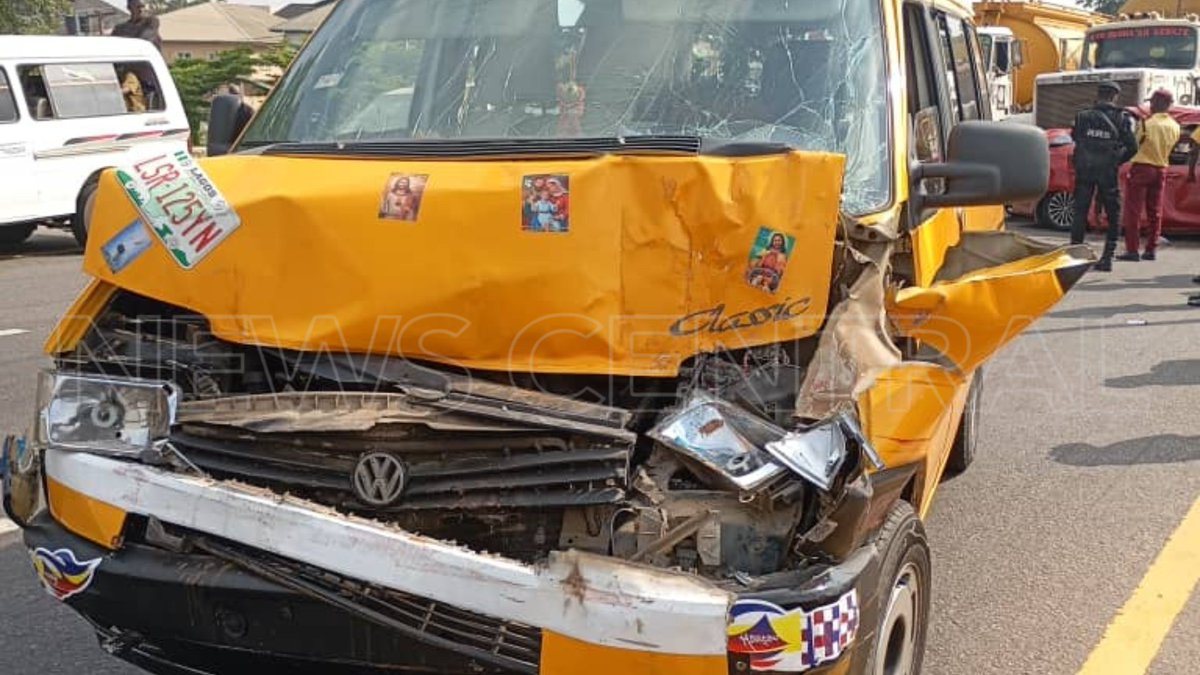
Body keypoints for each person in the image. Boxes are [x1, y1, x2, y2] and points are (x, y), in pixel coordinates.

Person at [1070, 81, 1138, 272]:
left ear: (1098, 94)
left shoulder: (1082, 116)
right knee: (1113, 214)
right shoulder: (1121, 118)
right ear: (1114, 97)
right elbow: (1133, 147)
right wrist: (1116, 161)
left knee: (1080, 212)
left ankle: (1075, 256)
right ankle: (1107, 257)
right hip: (1107, 172)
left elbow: (1075, 138)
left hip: (1085, 170)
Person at [1118, 89, 1180, 262]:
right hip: (1161, 168)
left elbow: (1134, 145)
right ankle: (1151, 249)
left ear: (1158, 103)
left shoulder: (1147, 124)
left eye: (1152, 102)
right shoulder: (1175, 126)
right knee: (1155, 211)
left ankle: (1132, 250)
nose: (1150, 105)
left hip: (1142, 167)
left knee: (1133, 211)